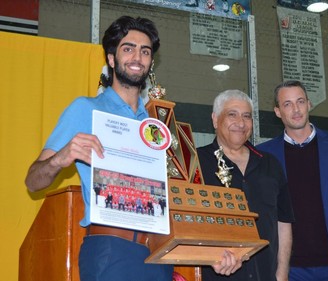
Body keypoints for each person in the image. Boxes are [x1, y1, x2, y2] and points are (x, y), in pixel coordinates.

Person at [24, 15, 240, 281]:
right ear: (112, 59)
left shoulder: (159, 125)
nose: (137, 57)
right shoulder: (86, 109)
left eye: (145, 51)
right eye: (128, 48)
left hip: (159, 252)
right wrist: (60, 158)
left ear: (150, 62)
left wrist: (210, 253)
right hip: (111, 251)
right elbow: (33, 181)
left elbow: (179, 197)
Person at [257, 80, 328, 281]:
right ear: (277, 112)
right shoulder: (265, 155)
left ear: (309, 105)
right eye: (287, 104)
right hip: (290, 270)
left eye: (300, 101)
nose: (296, 109)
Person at [197, 89, 295, 281]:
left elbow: (283, 223)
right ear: (215, 119)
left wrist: (282, 274)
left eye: (246, 116)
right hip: (218, 275)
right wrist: (211, 254)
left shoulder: (270, 164)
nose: (240, 123)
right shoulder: (196, 163)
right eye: (232, 114)